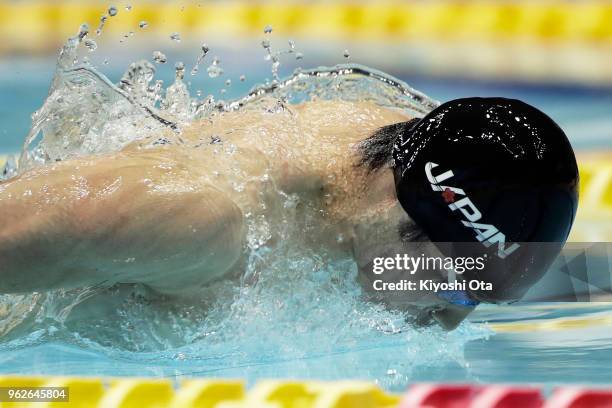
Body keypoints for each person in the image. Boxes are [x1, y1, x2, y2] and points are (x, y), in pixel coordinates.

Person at [0, 97, 578, 330]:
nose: (446, 319)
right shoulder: (194, 219)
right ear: (400, 213)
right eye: (453, 291)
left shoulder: (399, 164)